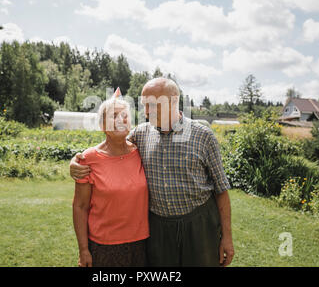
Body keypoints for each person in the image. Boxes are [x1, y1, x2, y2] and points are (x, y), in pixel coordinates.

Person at [71, 78, 234, 267]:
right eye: (144, 105)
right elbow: (111, 145)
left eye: (152, 105)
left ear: (173, 101)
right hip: (158, 228)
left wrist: (227, 237)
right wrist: (75, 161)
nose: (146, 112)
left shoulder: (203, 136)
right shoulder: (140, 134)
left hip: (199, 224)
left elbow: (221, 190)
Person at [72, 93, 149, 267]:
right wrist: (83, 249)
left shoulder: (141, 151)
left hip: (142, 242)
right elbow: (80, 206)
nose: (121, 120)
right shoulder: (88, 158)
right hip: (104, 245)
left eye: (125, 115)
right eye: (114, 116)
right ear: (101, 125)